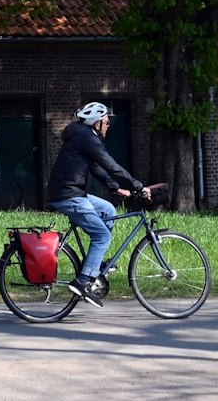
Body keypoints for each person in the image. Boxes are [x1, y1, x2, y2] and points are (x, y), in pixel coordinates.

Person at [46, 101, 149, 306]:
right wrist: (137, 185)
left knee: (108, 209)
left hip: (69, 193)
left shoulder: (81, 137)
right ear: (96, 123)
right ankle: (83, 281)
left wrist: (116, 189)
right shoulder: (86, 137)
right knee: (102, 236)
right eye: (106, 121)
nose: (108, 125)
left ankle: (94, 263)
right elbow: (109, 163)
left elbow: (96, 168)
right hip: (69, 196)